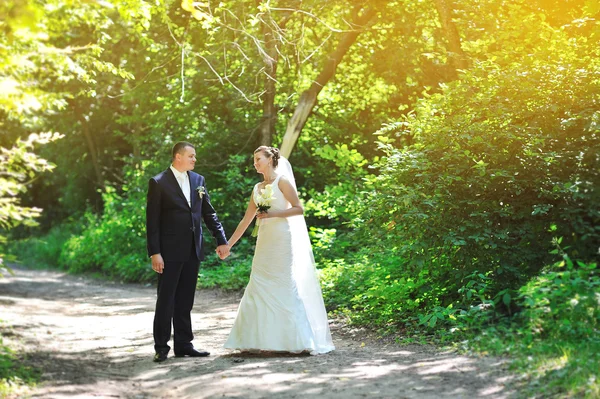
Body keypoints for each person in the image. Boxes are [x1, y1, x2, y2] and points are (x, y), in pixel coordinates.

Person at [223, 146, 334, 354]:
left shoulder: (282, 181)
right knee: (258, 283)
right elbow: (246, 220)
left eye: (258, 159)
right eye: (254, 159)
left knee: (283, 284)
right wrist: (228, 244)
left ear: (270, 159)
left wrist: (274, 214)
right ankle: (258, 340)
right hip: (264, 242)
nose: (255, 163)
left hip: (282, 240)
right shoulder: (257, 188)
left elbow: (298, 208)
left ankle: (293, 341)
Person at [146, 141, 230, 363]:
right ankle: (161, 347)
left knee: (185, 301)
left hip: (194, 249)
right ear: (177, 157)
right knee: (166, 300)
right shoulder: (158, 182)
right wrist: (155, 252)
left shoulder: (198, 180)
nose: (195, 159)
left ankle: (183, 344)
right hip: (169, 252)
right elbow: (152, 221)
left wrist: (221, 240)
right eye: (191, 156)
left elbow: (208, 213)